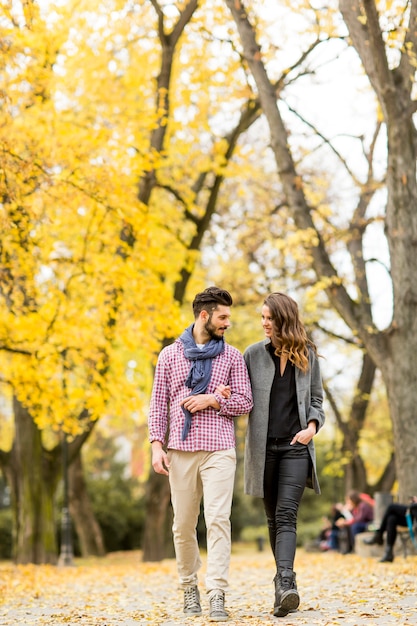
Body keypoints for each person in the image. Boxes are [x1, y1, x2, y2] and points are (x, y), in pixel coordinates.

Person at [148, 286, 253, 622]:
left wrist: (214, 400)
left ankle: (217, 592)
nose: (227, 323)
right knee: (182, 525)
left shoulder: (232, 357)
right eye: (222, 317)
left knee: (219, 520)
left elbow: (245, 402)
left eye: (229, 318)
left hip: (220, 448)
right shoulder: (169, 355)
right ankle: (189, 586)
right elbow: (158, 404)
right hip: (180, 450)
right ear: (204, 315)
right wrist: (155, 446)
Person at [243, 292, 325, 618]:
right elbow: (239, 394)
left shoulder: (307, 356)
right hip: (263, 451)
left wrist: (313, 427)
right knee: (273, 519)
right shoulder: (252, 355)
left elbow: (317, 400)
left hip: (295, 448)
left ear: (284, 319)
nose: (264, 323)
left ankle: (286, 580)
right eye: (262, 318)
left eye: (269, 318)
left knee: (287, 515)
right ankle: (283, 588)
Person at [364, 496, 417, 562]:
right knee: (392, 519)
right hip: (413, 514)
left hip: (414, 514)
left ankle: (379, 535)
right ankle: (389, 553)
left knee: (391, 507)